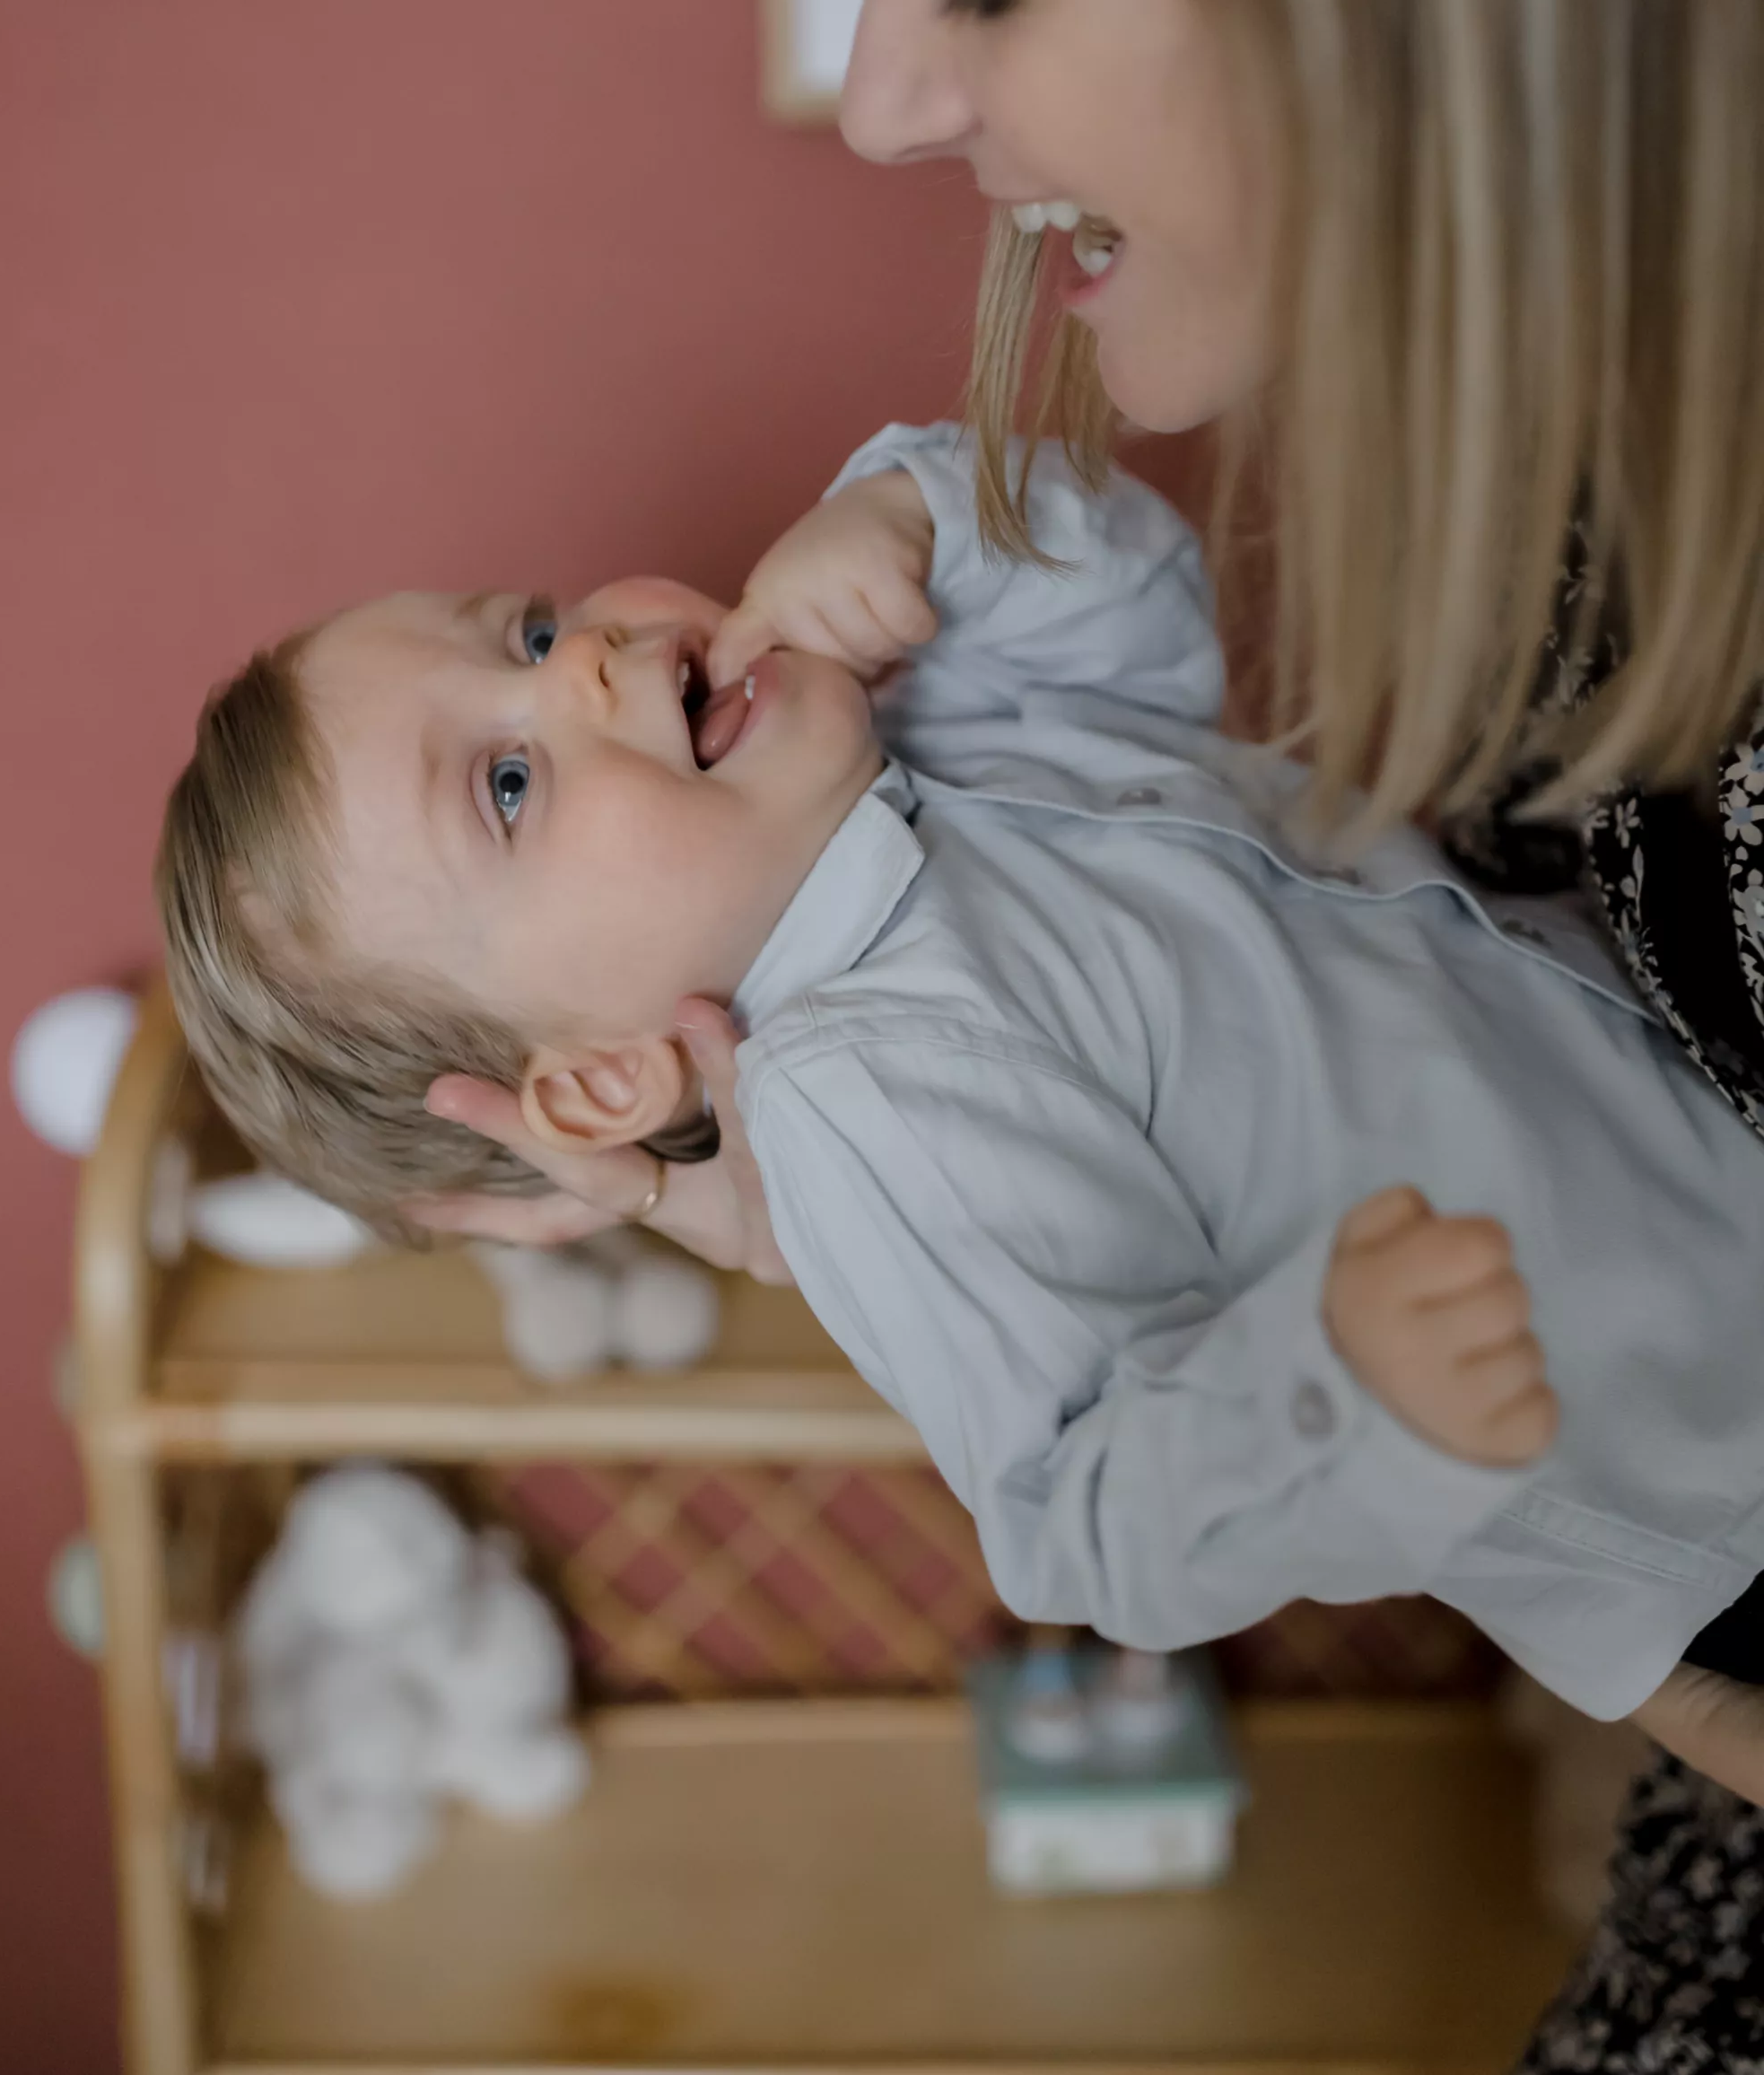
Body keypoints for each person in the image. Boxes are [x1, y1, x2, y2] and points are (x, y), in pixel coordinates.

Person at [440, 0, 1764, 2059]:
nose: (902, 92)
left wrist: (907, 528)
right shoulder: (882, 1061)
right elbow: (1107, 1480)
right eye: (497, 773)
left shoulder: (939, 788)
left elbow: (1112, 612)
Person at [157, 419, 1764, 1799]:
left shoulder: (931, 725)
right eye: (508, 785)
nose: (581, 657)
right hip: (1700, 1472)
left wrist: (921, 516)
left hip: (1680, 1089)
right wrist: (1328, 1394)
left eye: (521, 632)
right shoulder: (870, 1101)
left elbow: (1145, 606)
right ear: (595, 1081)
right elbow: (1078, 1523)